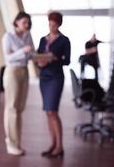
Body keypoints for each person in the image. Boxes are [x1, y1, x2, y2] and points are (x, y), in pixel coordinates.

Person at [36, 11, 70, 158]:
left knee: (53, 111)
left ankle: (59, 147)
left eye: (54, 24)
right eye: (50, 24)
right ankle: (53, 144)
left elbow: (67, 60)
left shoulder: (64, 40)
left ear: (59, 24)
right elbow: (37, 56)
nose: (51, 27)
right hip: (44, 77)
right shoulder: (43, 39)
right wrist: (40, 62)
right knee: (48, 112)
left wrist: (54, 58)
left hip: (56, 77)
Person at [2, 11, 34, 155]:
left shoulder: (28, 35)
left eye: (28, 23)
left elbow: (31, 54)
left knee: (19, 108)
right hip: (12, 72)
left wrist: (34, 54)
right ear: (16, 22)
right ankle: (11, 143)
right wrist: (23, 51)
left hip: (24, 71)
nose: (27, 25)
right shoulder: (8, 36)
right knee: (12, 108)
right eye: (24, 22)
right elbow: (8, 58)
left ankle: (17, 143)